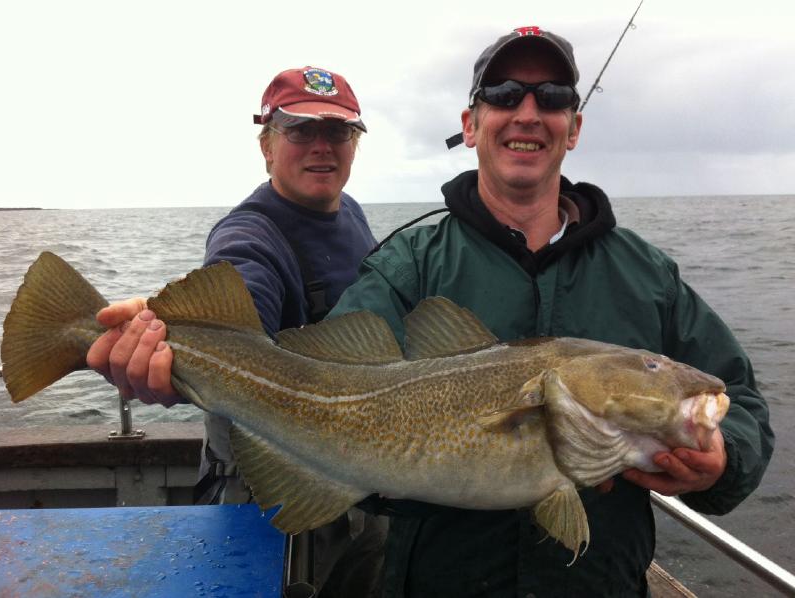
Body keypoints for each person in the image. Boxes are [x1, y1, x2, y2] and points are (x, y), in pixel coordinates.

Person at [327, 27, 775, 597]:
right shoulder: (409, 265)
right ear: (471, 125)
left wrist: (724, 456)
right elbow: (324, 386)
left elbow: (739, 395)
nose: (529, 113)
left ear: (575, 127)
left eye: (554, 96)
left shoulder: (647, 274)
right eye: (506, 94)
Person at [86, 66, 386, 597]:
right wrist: (166, 336)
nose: (321, 146)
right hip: (263, 485)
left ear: (355, 144)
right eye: (299, 130)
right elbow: (242, 297)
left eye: (337, 132)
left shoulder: (352, 213)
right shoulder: (248, 233)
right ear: (267, 145)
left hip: (345, 461)